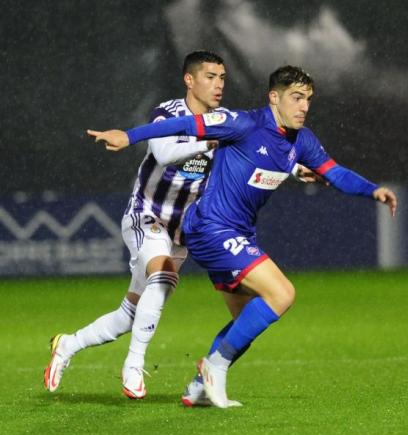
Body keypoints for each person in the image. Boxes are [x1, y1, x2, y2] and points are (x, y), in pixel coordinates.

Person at [88, 65, 398, 408]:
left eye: (308, 99)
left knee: (245, 321)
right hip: (209, 228)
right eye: (296, 98)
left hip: (235, 232)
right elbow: (187, 125)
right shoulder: (244, 123)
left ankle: (198, 387)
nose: (304, 107)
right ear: (274, 98)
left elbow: (335, 172)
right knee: (282, 293)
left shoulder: (303, 141)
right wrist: (129, 136)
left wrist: (373, 191)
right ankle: (214, 368)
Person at [44, 52, 319, 401]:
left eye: (222, 77)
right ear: (189, 80)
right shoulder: (170, 113)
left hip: (183, 228)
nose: (218, 84)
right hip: (148, 214)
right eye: (210, 76)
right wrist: (211, 141)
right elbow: (163, 154)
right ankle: (133, 365)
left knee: (132, 311)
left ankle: (67, 344)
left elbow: (257, 152)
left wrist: (296, 170)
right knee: (161, 278)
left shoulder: (224, 120)